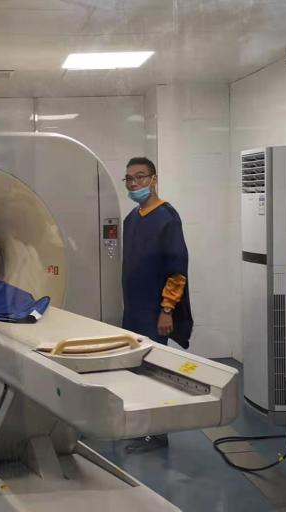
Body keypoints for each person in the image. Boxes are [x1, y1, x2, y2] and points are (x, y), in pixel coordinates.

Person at [120, 156, 193, 453]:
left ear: (154, 179)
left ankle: (159, 433)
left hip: (155, 311)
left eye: (140, 177)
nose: (134, 183)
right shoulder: (132, 219)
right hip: (134, 309)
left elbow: (177, 271)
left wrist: (166, 310)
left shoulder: (167, 218)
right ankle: (144, 427)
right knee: (137, 368)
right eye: (129, 178)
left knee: (154, 370)